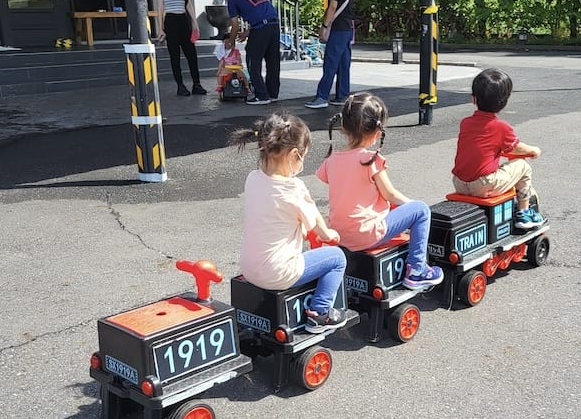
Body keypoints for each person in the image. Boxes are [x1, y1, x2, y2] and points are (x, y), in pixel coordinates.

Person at [231, 112, 348, 333]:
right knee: (336, 258)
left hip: (249, 268)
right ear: (294, 154)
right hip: (278, 274)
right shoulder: (293, 189)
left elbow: (276, 216)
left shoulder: (253, 178)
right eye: (302, 157)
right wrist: (330, 234)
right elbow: (319, 228)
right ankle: (320, 313)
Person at [315, 93, 444, 290]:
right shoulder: (371, 160)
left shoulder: (331, 161)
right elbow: (390, 194)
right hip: (367, 235)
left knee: (394, 210)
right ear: (377, 131)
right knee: (421, 210)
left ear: (343, 127)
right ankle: (417, 270)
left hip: (341, 235)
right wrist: (411, 205)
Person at [451, 68, 545, 230]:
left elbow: (481, 146)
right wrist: (533, 150)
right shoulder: (501, 127)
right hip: (483, 185)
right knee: (523, 167)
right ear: (504, 102)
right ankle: (524, 213)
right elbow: (516, 148)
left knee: (503, 169)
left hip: (458, 183)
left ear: (473, 99)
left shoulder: (465, 123)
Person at [305, 0, 354, 109]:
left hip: (338, 29)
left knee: (330, 63)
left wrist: (324, 26)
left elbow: (332, 7)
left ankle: (322, 97)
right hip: (347, 29)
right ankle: (343, 96)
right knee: (343, 64)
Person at [155, 0, 206, 96]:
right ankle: (180, 86)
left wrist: (195, 23)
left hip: (184, 20)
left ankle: (197, 84)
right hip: (170, 21)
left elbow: (189, 5)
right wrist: (160, 28)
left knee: (192, 54)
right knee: (175, 56)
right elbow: (160, 8)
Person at [226, 0, 281, 105]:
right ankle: (272, 93)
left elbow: (235, 25)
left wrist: (231, 41)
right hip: (274, 25)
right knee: (273, 61)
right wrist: (248, 32)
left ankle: (261, 95)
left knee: (253, 60)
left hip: (260, 28)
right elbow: (261, 13)